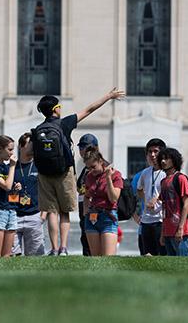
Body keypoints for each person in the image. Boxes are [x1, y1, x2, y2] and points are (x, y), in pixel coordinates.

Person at [34, 88, 125, 256]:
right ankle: (63, 248)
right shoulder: (64, 124)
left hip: (44, 174)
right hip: (64, 171)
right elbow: (89, 109)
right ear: (56, 109)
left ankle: (53, 248)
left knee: (52, 211)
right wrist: (109, 96)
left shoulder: (39, 128)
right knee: (64, 211)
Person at [82, 146, 123, 256]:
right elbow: (86, 195)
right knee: (96, 259)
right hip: (92, 217)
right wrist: (85, 211)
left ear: (100, 161)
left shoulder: (116, 175)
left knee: (107, 258)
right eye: (88, 168)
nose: (91, 171)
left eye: (93, 167)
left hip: (108, 216)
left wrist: (108, 178)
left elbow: (113, 198)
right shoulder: (89, 176)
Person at [13, 132, 46, 256]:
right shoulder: (12, 167)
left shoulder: (39, 166)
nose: (33, 147)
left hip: (34, 216)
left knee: (36, 258)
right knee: (12, 257)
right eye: (30, 144)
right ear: (21, 146)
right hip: (14, 216)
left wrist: (43, 215)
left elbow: (47, 190)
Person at [157, 147, 188, 257]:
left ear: (174, 160)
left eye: (167, 158)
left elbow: (186, 203)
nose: (163, 161)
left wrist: (181, 228)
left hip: (180, 228)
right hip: (167, 229)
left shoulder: (181, 178)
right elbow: (164, 208)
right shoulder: (163, 181)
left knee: (184, 262)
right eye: (161, 159)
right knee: (172, 264)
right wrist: (163, 232)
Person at [136, 138, 167, 256]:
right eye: (150, 151)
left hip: (161, 220)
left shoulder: (167, 173)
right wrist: (145, 200)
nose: (153, 155)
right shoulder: (145, 172)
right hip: (146, 220)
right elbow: (139, 190)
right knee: (147, 254)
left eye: (156, 151)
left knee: (162, 254)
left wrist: (157, 199)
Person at [76, 133, 99, 256]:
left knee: (91, 233)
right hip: (83, 206)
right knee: (85, 234)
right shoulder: (85, 167)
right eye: (80, 147)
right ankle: (87, 257)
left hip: (94, 207)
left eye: (85, 147)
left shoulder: (99, 165)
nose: (82, 150)